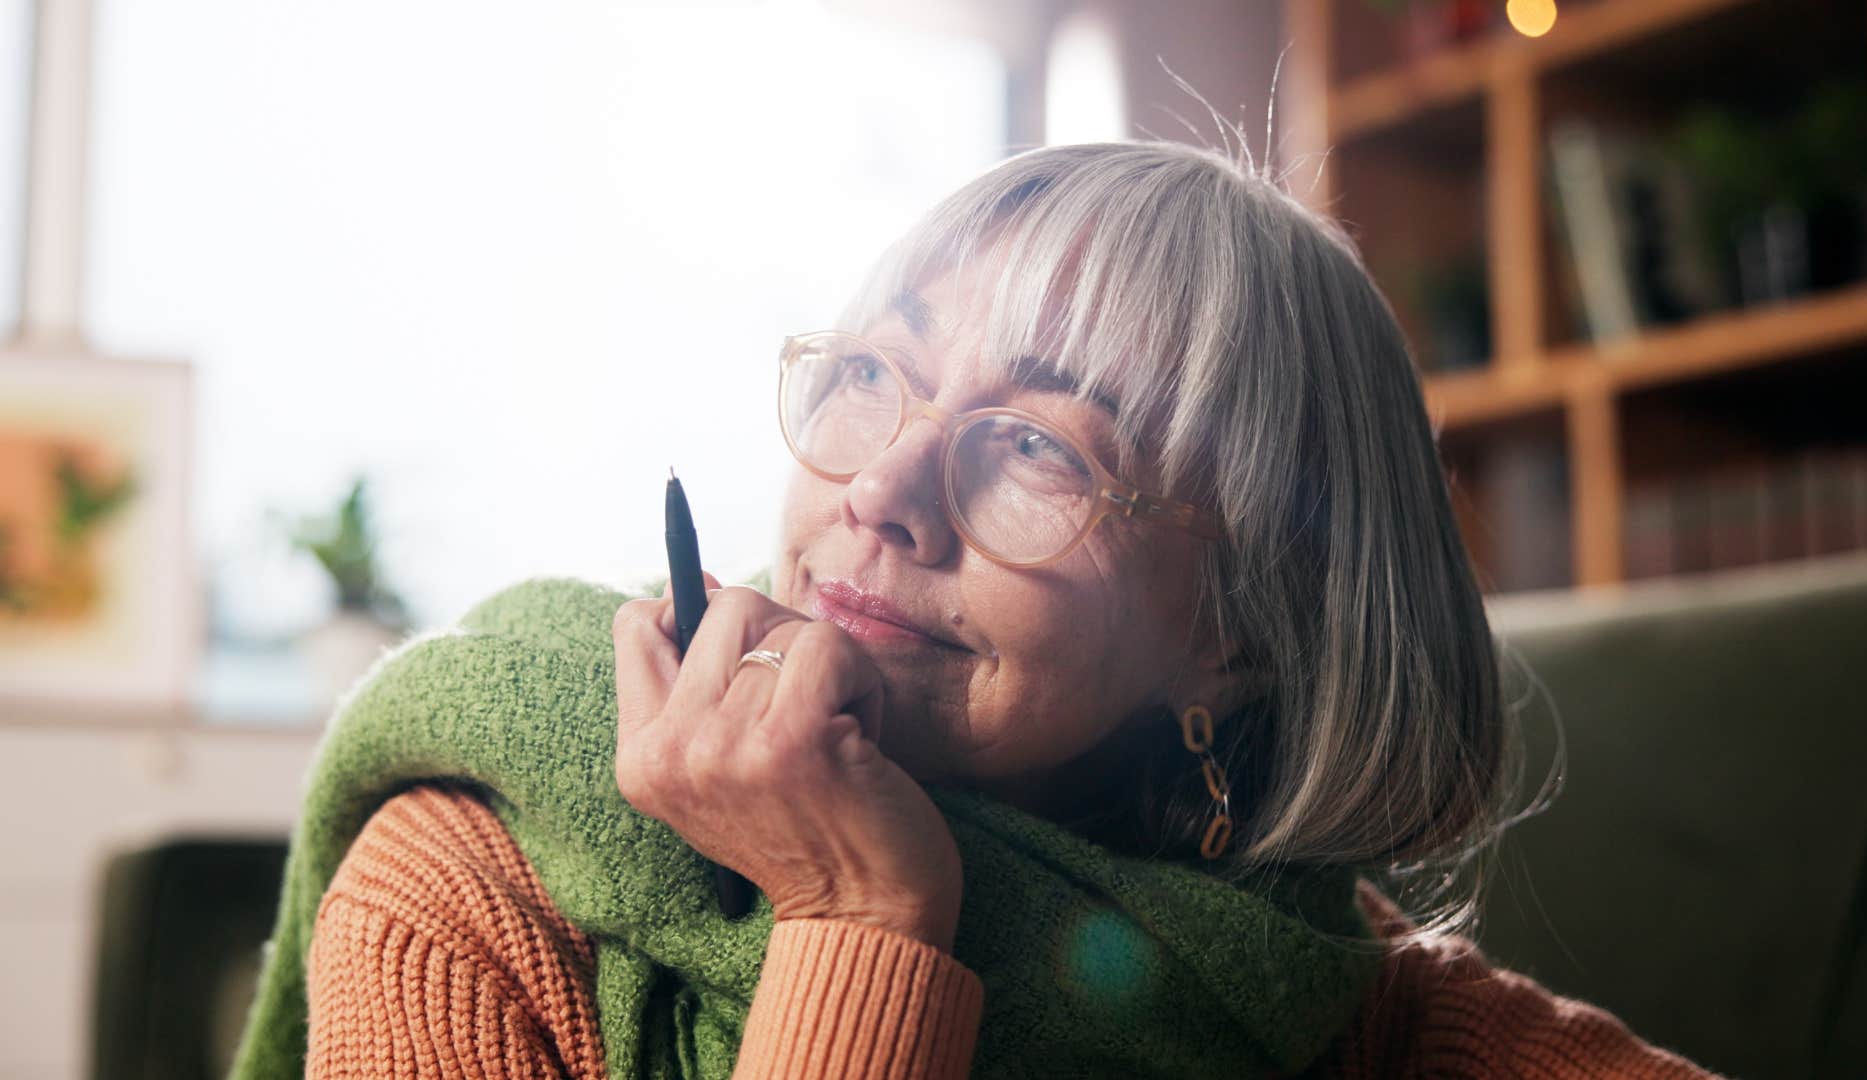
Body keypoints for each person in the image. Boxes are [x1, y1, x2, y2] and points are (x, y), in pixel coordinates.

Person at [291, 141, 1717, 1078]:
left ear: (1242, 631)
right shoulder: (475, 875)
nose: (885, 488)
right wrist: (862, 918)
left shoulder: (1323, 993)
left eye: (1041, 445)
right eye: (871, 377)